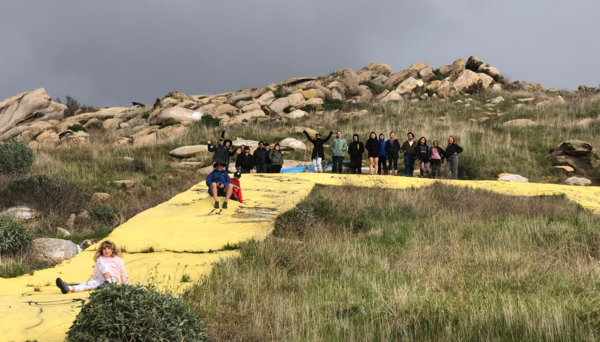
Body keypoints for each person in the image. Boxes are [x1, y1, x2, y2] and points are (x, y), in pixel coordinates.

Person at [55, 240, 128, 294]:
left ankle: (108, 282)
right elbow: (96, 271)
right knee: (86, 285)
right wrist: (95, 282)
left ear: (112, 249)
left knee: (100, 261)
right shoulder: (100, 258)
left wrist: (127, 285)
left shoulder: (118, 259)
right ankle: (68, 288)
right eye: (104, 249)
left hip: (112, 279)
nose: (106, 251)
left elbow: (123, 272)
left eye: (109, 248)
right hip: (101, 279)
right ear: (101, 250)